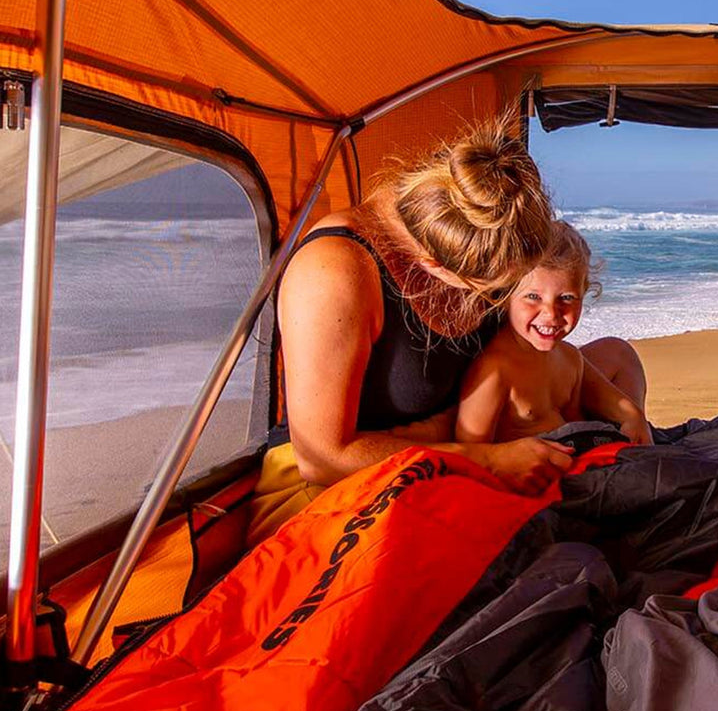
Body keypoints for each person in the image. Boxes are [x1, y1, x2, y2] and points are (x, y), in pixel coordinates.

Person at [246, 119, 648, 544]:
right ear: (436, 269)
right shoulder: (334, 271)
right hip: (345, 479)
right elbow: (321, 457)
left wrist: (621, 411)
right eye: (492, 292)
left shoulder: (483, 217)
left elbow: (551, 359)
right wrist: (486, 460)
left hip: (473, 439)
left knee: (616, 366)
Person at [456, 221, 649, 447]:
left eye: (566, 298)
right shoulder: (494, 372)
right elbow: (473, 452)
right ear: (505, 295)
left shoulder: (570, 358)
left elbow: (598, 419)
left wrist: (634, 423)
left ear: (583, 294)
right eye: (533, 297)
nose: (551, 313)